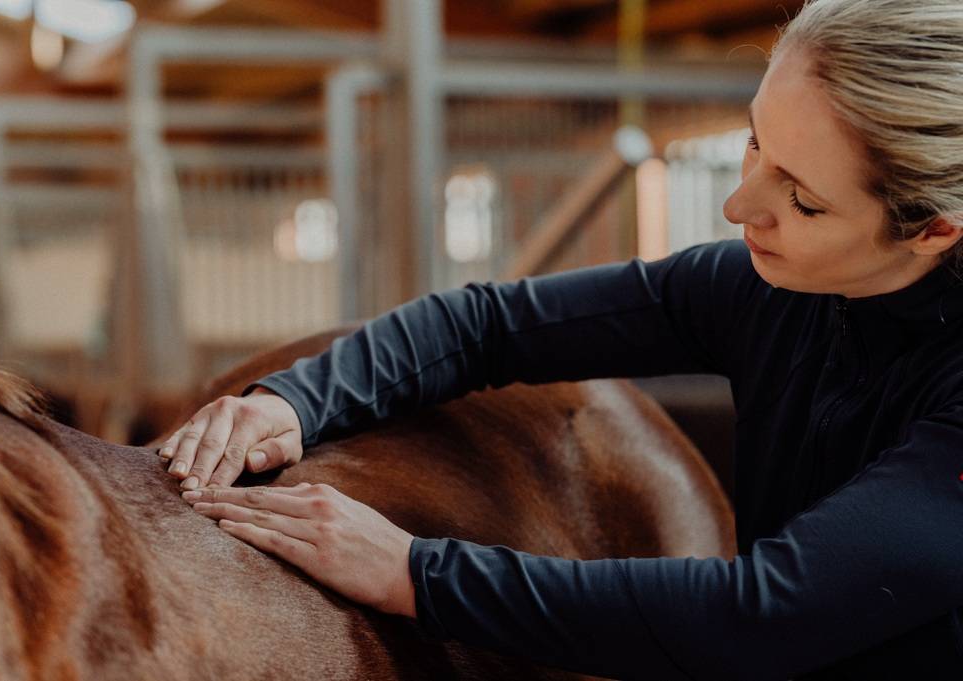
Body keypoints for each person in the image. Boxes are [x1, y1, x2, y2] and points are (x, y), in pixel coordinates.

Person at [158, 1, 963, 678]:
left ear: (933, 229)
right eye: (756, 141)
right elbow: (490, 326)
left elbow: (761, 613)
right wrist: (299, 399)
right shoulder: (760, 290)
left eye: (804, 200)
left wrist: (413, 572)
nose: (738, 205)